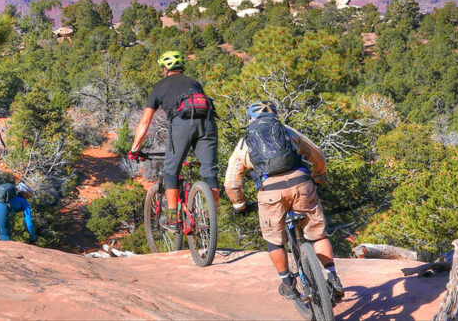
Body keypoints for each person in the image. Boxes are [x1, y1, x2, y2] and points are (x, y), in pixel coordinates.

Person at [224, 100, 344, 301]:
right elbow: (317, 155)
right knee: (317, 235)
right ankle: (332, 277)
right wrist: (319, 177)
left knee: (274, 240)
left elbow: (231, 181)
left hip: (271, 192)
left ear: (250, 119)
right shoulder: (287, 131)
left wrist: (239, 203)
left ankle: (288, 283)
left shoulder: (245, 142)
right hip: (301, 184)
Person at [128, 50, 219, 232]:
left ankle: (173, 219)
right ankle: (211, 218)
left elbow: (145, 121)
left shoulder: (159, 87)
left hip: (182, 125)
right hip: (208, 124)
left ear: (164, 69)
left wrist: (135, 148)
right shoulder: (195, 83)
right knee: (210, 171)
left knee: (171, 170)